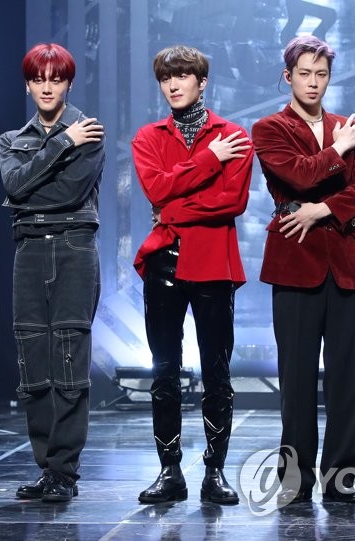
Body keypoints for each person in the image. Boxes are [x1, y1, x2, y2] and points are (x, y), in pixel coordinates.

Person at [251, 35, 355, 504]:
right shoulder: (269, 127)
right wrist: (338, 150)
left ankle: (341, 479)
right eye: (304, 73)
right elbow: (298, 175)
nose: (313, 82)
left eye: (321, 74)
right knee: (297, 381)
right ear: (288, 76)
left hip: (345, 262)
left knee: (347, 379)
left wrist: (322, 209)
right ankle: (295, 481)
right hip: (295, 262)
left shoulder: (348, 126)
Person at [132, 45, 252, 506]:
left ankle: (214, 472)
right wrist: (208, 161)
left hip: (213, 262)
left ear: (202, 82)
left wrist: (173, 209)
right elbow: (155, 187)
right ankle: (170, 471)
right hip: (163, 262)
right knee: (163, 370)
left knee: (216, 371)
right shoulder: (148, 137)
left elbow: (232, 201)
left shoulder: (233, 135)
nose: (173, 84)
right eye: (166, 77)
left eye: (183, 76)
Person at [0, 43, 104, 503]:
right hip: (28, 250)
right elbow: (13, 184)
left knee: (69, 359)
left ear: (68, 83)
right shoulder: (10, 140)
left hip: (73, 247)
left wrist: (29, 188)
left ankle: (64, 471)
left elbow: (67, 193)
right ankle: (47, 469)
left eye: (55, 79)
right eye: (38, 79)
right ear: (27, 85)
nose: (47, 87)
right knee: (33, 362)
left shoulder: (90, 132)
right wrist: (62, 144)